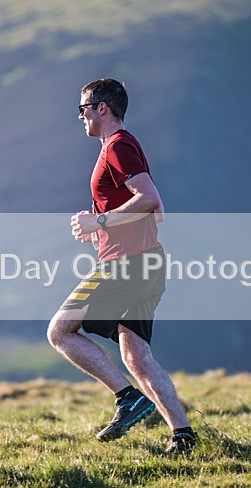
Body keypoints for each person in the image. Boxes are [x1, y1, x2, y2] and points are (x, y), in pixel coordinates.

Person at [47, 78, 197, 454]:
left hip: (125, 265)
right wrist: (103, 229)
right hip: (149, 263)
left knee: (60, 331)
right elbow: (157, 212)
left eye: (82, 108)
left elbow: (150, 199)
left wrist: (99, 222)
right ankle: (183, 436)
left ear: (102, 108)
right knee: (137, 357)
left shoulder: (117, 146)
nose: (79, 116)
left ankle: (127, 398)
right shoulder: (124, 147)